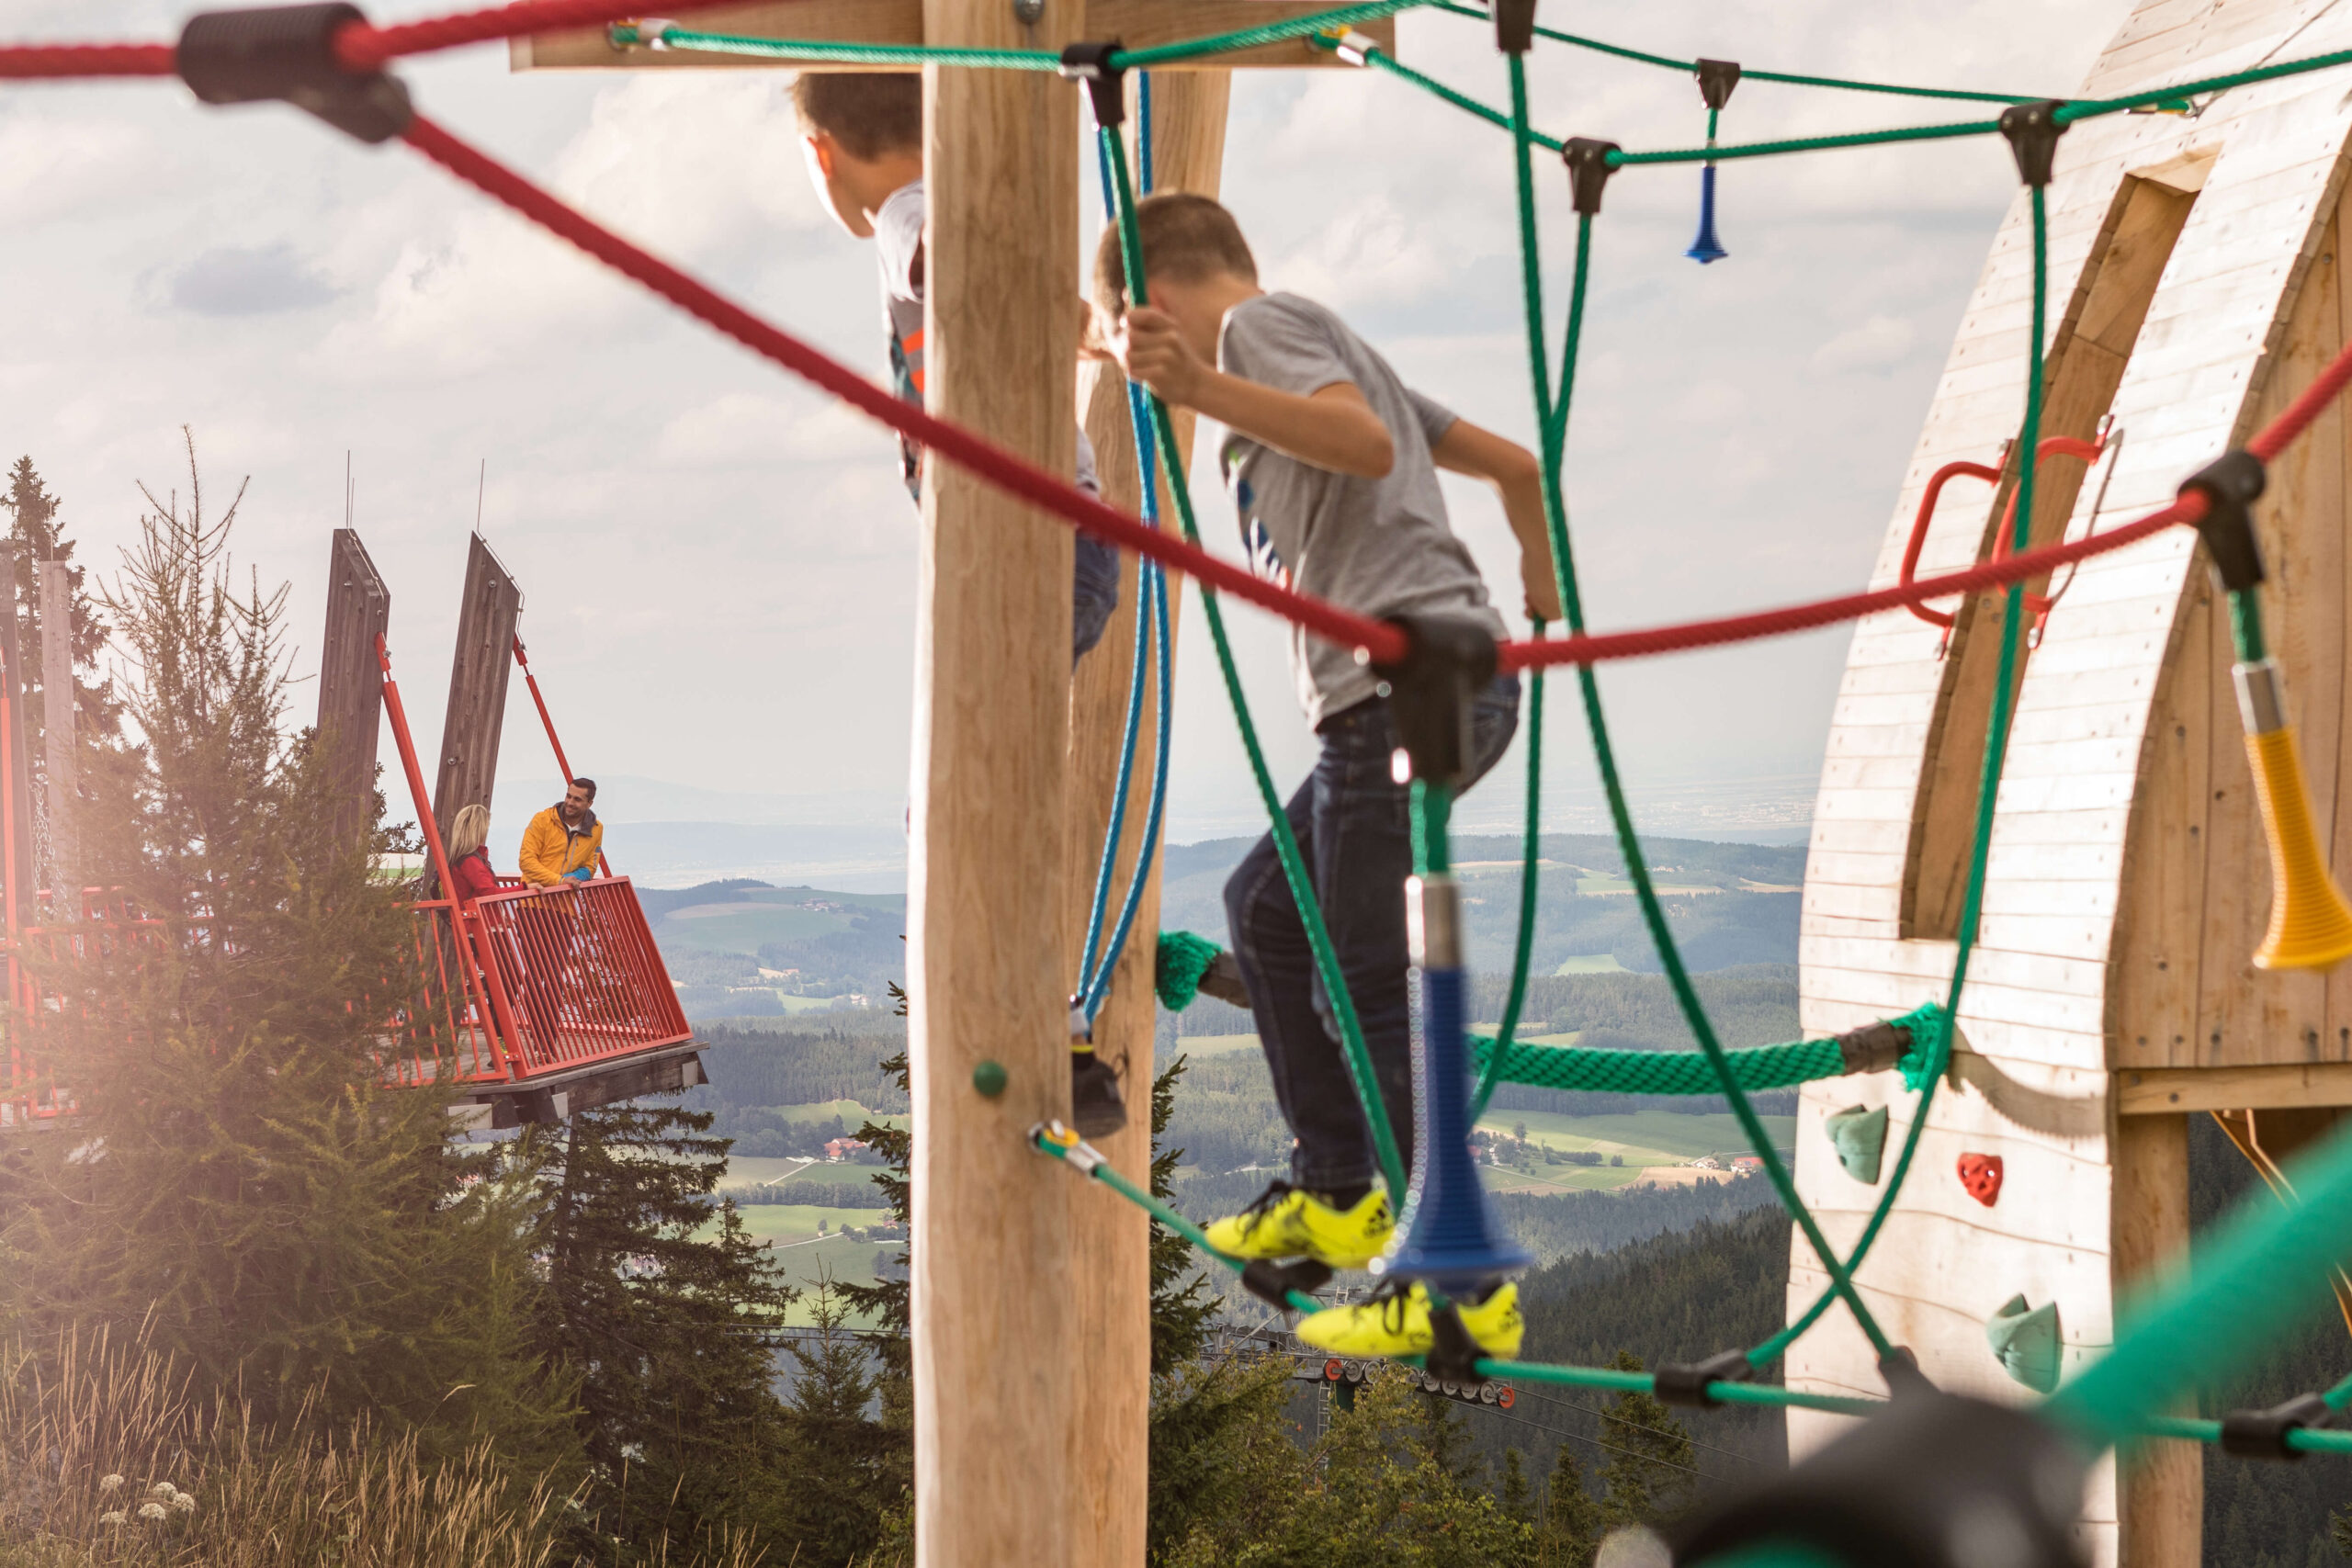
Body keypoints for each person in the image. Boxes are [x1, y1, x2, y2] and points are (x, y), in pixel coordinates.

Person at [1093, 192, 1561, 1359]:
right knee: (1265, 910)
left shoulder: (1258, 331)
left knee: (1357, 978)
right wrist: (1537, 589)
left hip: (1395, 691)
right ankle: (1340, 1189)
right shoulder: (1332, 348)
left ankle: (1450, 1274)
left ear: (1156, 301)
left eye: (1127, 324)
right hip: (1438, 681)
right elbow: (1512, 465)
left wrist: (1196, 386)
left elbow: (1361, 442)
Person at [793, 70, 1128, 1137]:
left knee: (963, 800)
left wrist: (1047, 306)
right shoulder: (945, 213)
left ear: (822, 156)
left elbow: (959, 262)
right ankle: (1050, 1022)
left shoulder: (908, 216)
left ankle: (1043, 1027)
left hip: (1021, 550)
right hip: (1045, 545)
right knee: (984, 780)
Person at [519, 777, 603, 886]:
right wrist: (559, 881)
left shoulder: (596, 828)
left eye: (577, 799)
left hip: (563, 901)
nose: (570, 802)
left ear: (589, 803)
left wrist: (571, 878)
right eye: (568, 796)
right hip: (532, 900)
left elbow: (590, 867)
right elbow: (526, 861)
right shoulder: (542, 820)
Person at [446, 803, 502, 903]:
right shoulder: (470, 861)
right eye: (486, 827)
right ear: (479, 829)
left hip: (477, 915)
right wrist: (524, 887)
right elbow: (490, 892)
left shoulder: (463, 859)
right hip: (480, 917)